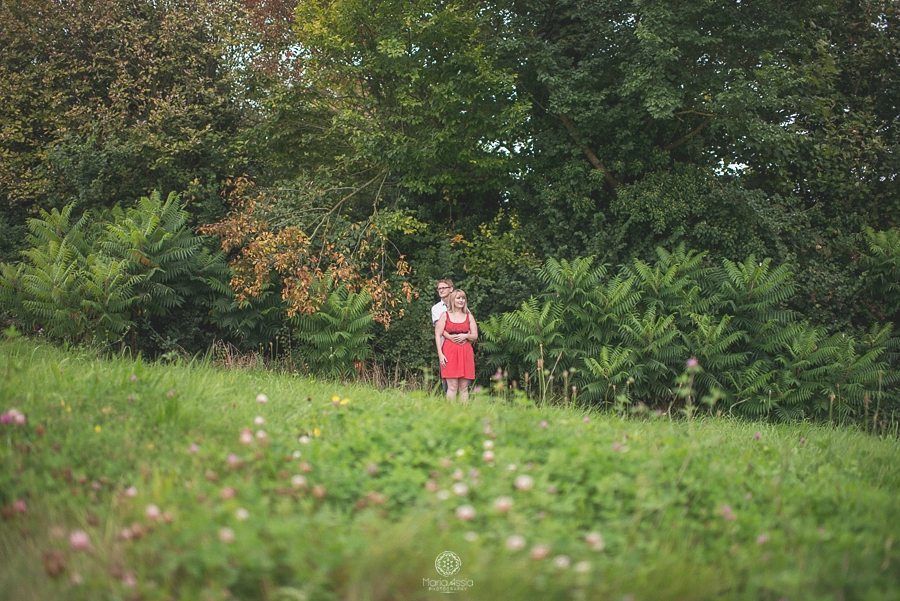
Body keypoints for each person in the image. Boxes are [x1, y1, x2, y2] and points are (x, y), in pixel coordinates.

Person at [435, 289, 478, 402]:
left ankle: (464, 414)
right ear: (452, 300)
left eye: (463, 298)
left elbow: (474, 336)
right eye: (458, 298)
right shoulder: (445, 315)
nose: (461, 300)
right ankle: (450, 414)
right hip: (449, 352)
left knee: (464, 388)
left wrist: (465, 336)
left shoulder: (469, 316)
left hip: (465, 352)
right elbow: (438, 334)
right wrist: (440, 354)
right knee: (452, 386)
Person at [431, 279, 454, 391]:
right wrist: (451, 337)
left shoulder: (459, 304)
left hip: (460, 343)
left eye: (443, 288)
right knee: (447, 378)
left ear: (451, 289)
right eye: (439, 288)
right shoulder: (436, 308)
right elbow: (439, 329)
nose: (440, 290)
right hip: (444, 345)